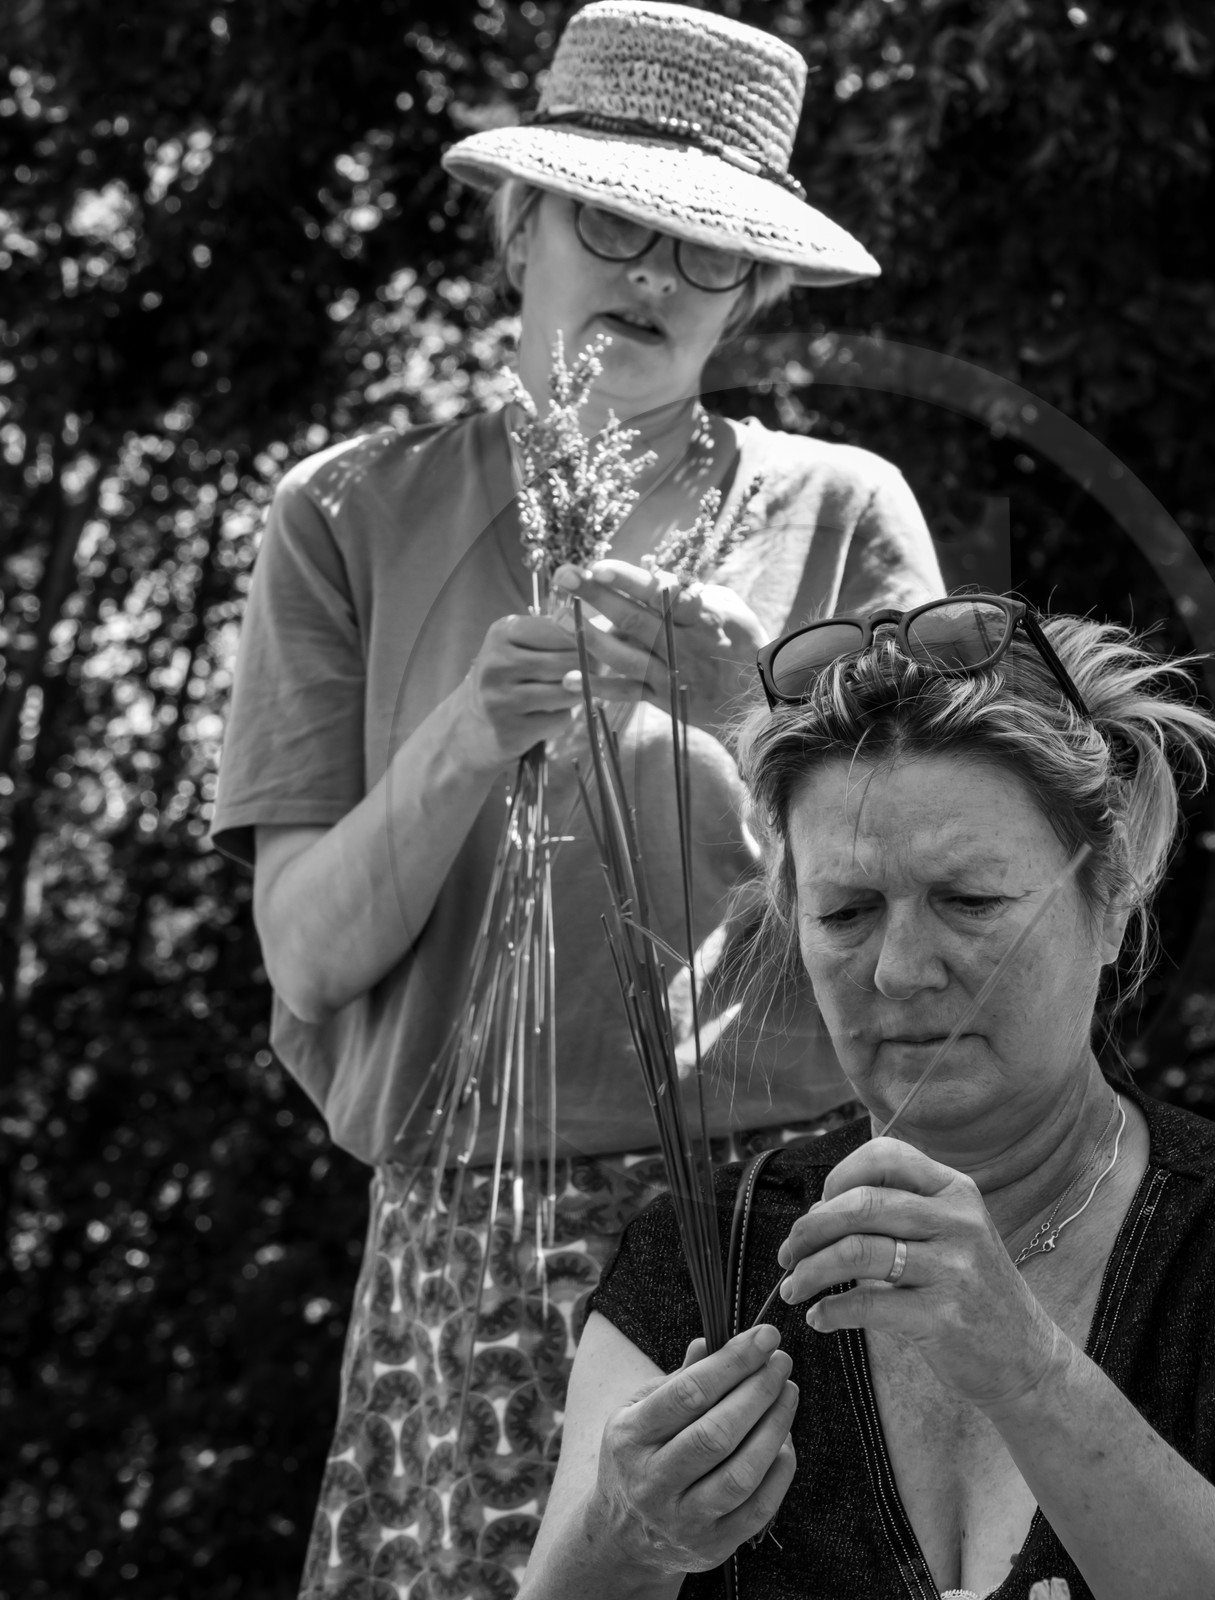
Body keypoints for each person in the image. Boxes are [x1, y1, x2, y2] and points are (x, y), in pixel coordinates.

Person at [209, 4, 943, 1594]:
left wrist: (751, 717)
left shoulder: (843, 514)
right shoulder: (347, 513)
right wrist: (470, 733)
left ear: (752, 287)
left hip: (780, 1228)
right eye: (613, 218)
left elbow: (923, 929)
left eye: (709, 247)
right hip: (472, 1251)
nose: (655, 274)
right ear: (519, 225)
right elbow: (307, 960)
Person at [531, 597, 1215, 1600]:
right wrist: (622, 1536)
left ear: (1111, 896)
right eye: (847, 912)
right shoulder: (703, 1255)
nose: (901, 969)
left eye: (969, 902)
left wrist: (1030, 1371)